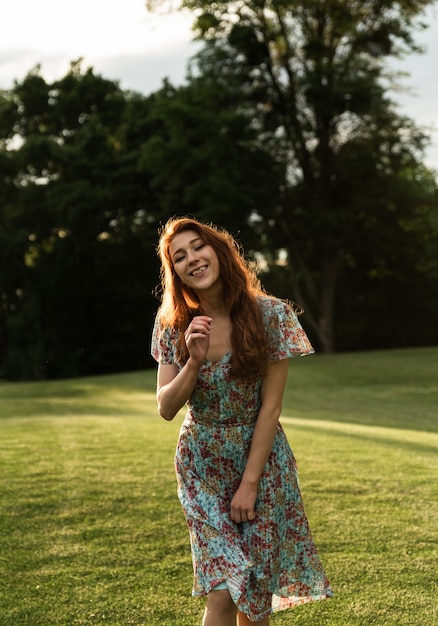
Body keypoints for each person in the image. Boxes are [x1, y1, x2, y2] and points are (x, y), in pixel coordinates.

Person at [151, 216, 333, 625]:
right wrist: (193, 360)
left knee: (253, 597)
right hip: (202, 464)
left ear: (218, 249)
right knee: (222, 590)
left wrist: (249, 485)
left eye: (198, 246)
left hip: (262, 465)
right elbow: (165, 407)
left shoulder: (270, 314)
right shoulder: (172, 325)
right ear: (174, 272)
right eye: (179, 256)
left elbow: (270, 408)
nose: (192, 259)